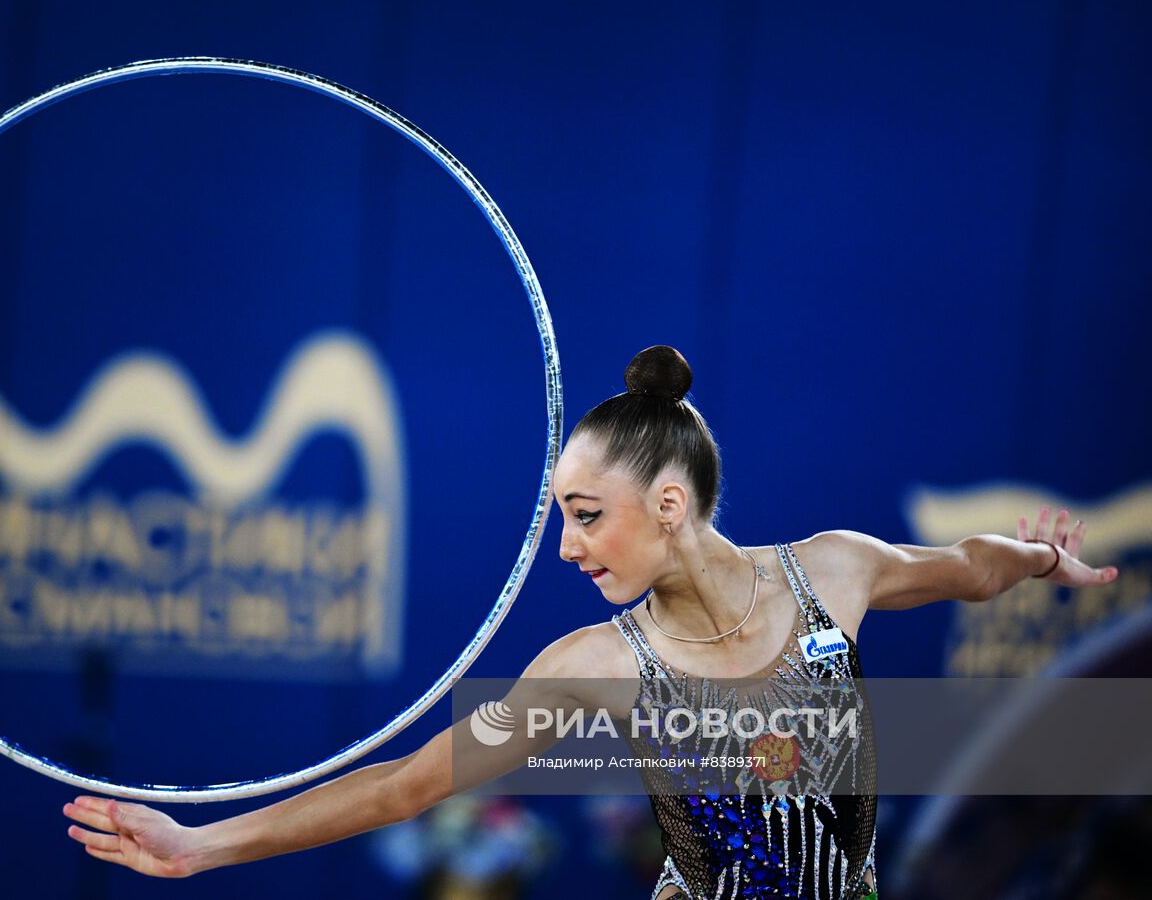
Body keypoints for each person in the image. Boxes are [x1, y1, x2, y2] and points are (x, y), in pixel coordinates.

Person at [63, 345, 1119, 899]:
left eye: (582, 517)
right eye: (559, 520)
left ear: (667, 503)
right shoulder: (594, 664)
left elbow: (967, 569)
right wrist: (202, 844)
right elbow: (404, 783)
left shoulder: (831, 573)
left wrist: (1038, 556)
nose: (565, 549)